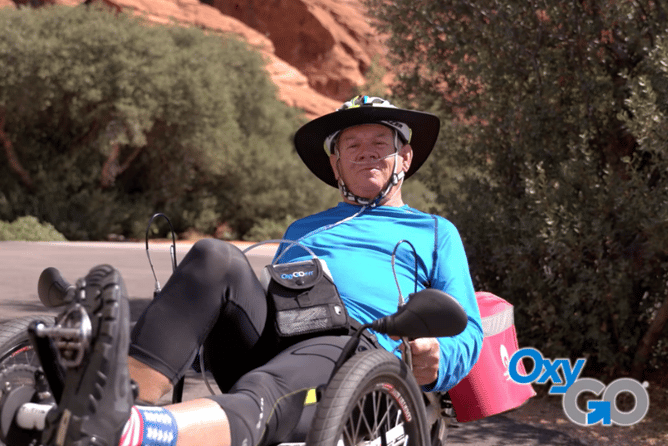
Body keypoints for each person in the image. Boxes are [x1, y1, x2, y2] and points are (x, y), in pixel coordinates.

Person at [41, 96, 484, 446]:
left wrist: (439, 357)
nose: (367, 154)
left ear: (404, 158)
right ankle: (115, 400)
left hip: (359, 357)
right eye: (353, 145)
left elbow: (469, 330)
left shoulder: (434, 232)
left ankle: (133, 434)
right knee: (215, 255)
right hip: (285, 338)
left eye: (380, 145)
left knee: (268, 383)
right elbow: (284, 303)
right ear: (335, 165)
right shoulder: (304, 228)